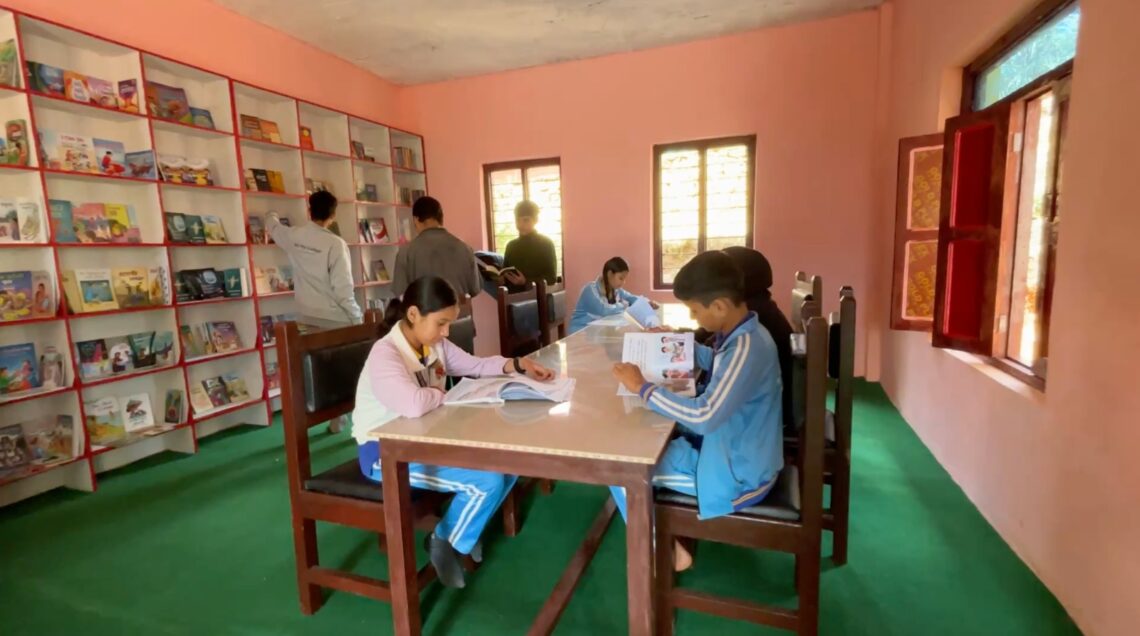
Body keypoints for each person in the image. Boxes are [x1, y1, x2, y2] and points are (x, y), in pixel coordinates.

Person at [352, 276, 555, 588]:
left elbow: (475, 366)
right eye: (441, 323)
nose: (446, 333)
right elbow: (413, 404)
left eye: (449, 324)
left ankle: (452, 534)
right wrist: (444, 394)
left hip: (426, 439)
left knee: (511, 461)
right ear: (413, 314)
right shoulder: (386, 355)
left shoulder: (433, 343)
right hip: (385, 454)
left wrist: (518, 365)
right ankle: (449, 540)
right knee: (486, 482)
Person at [611, 251, 783, 571]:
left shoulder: (747, 349)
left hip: (738, 474)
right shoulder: (744, 334)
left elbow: (703, 417)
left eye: (693, 310)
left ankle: (665, 552)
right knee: (641, 437)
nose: (692, 319)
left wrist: (643, 388)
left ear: (718, 306)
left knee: (619, 468)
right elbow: (715, 363)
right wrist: (676, 342)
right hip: (734, 449)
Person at [267, 190, 363, 433]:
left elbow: (273, 227)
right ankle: (337, 422)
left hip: (306, 316)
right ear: (332, 216)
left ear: (309, 211)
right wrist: (358, 319)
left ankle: (311, 421)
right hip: (335, 318)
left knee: (312, 373)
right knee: (341, 372)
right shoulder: (335, 244)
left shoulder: (294, 236)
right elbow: (343, 290)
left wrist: (271, 213)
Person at [721, 246, 795, 432]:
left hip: (760, 418)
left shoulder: (751, 315)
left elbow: (713, 344)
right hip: (770, 405)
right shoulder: (762, 305)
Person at [391, 196, 482, 300]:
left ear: (416, 220)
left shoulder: (406, 252)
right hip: (460, 314)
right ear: (441, 217)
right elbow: (475, 289)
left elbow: (401, 294)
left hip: (424, 314)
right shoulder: (465, 249)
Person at [568, 257, 657, 333]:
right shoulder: (590, 290)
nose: (623, 282)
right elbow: (604, 310)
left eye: (625, 279)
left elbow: (631, 298)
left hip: (595, 333)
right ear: (610, 274)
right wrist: (623, 305)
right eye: (621, 278)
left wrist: (647, 303)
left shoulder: (616, 290)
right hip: (580, 333)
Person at [501, 200, 557, 291]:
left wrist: (526, 281)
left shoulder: (546, 244)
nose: (521, 224)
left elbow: (551, 279)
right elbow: (506, 273)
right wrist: (501, 279)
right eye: (518, 220)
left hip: (536, 299)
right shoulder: (511, 246)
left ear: (535, 220)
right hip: (511, 297)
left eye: (526, 220)